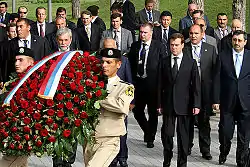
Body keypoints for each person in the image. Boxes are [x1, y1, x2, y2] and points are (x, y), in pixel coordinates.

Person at [84, 48, 134, 167]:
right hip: (90, 138)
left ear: (118, 64)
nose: (104, 65)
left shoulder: (126, 87)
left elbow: (121, 106)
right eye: (103, 62)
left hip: (109, 139)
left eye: (109, 62)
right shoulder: (92, 84)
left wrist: (98, 96)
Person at [160, 33, 201, 167]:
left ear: (182, 45)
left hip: (185, 104)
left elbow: (196, 85)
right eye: (172, 45)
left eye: (177, 45)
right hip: (168, 104)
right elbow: (159, 85)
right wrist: (158, 104)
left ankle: (182, 163)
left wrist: (196, 104)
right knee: (167, 135)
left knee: (183, 137)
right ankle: (167, 160)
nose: (174, 48)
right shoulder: (164, 62)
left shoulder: (190, 62)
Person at [128, 23, 167, 148]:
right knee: (137, 110)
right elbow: (131, 65)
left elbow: (163, 66)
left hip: (153, 84)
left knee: (152, 112)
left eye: (145, 32)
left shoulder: (159, 47)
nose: (142, 35)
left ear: (150, 33)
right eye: (141, 32)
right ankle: (147, 130)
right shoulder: (135, 46)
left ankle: (150, 138)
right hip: (138, 84)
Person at [184, 24, 220, 160]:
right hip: (188, 91)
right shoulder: (185, 48)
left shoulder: (210, 49)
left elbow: (215, 72)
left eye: (196, 33)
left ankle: (205, 150)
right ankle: (187, 147)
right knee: (188, 120)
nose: (193, 36)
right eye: (191, 33)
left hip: (205, 92)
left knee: (204, 122)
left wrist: (215, 96)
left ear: (202, 34)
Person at [218, 30, 250, 167]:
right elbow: (216, 79)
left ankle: (242, 161)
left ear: (245, 42)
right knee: (225, 132)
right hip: (227, 102)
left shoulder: (249, 57)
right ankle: (224, 151)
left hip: (246, 102)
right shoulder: (223, 56)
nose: (237, 43)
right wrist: (215, 100)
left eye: (239, 40)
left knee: (244, 135)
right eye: (234, 40)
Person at [0, 47, 34, 167]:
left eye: (20, 60)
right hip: (13, 134)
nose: (16, 64)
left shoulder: (35, 82)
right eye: (15, 60)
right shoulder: (13, 79)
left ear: (31, 62)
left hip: (21, 136)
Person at [102, 38, 133, 167]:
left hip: (116, 118)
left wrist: (100, 100)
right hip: (102, 127)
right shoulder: (99, 64)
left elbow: (129, 81)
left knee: (121, 135)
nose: (105, 65)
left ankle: (122, 157)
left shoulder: (124, 62)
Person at [3, 18, 51, 82]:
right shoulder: (10, 44)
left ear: (28, 27)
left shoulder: (41, 42)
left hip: (38, 79)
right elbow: (6, 64)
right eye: (17, 27)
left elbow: (48, 60)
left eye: (21, 26)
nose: (18, 29)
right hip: (16, 81)